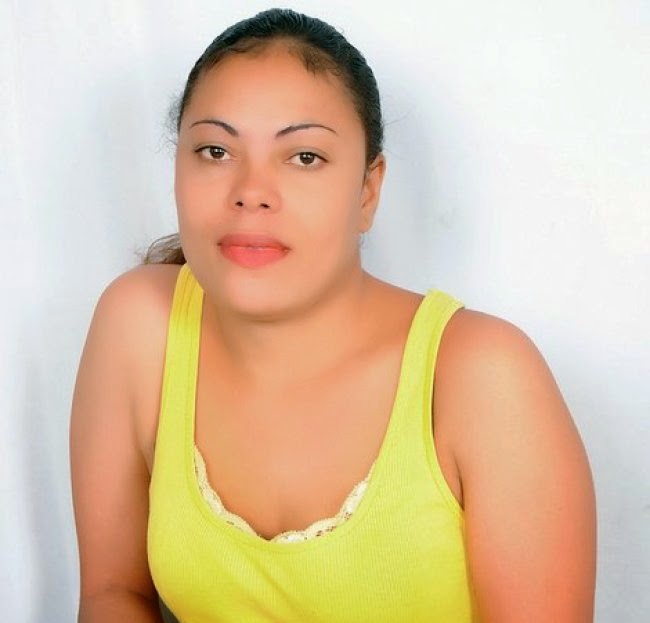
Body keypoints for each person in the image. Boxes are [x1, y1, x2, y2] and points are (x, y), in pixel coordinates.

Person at [70, 8, 596, 622]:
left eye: (304, 157)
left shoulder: (484, 377)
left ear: (368, 189)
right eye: (215, 150)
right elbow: (113, 593)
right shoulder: (139, 324)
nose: (251, 192)